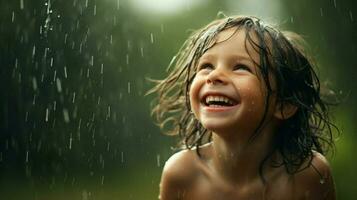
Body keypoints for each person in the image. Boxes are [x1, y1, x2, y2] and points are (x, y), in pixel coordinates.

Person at [149, 15, 338, 200]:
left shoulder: (308, 175)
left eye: (241, 67)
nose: (214, 75)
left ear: (284, 103)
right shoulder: (182, 175)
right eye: (206, 65)